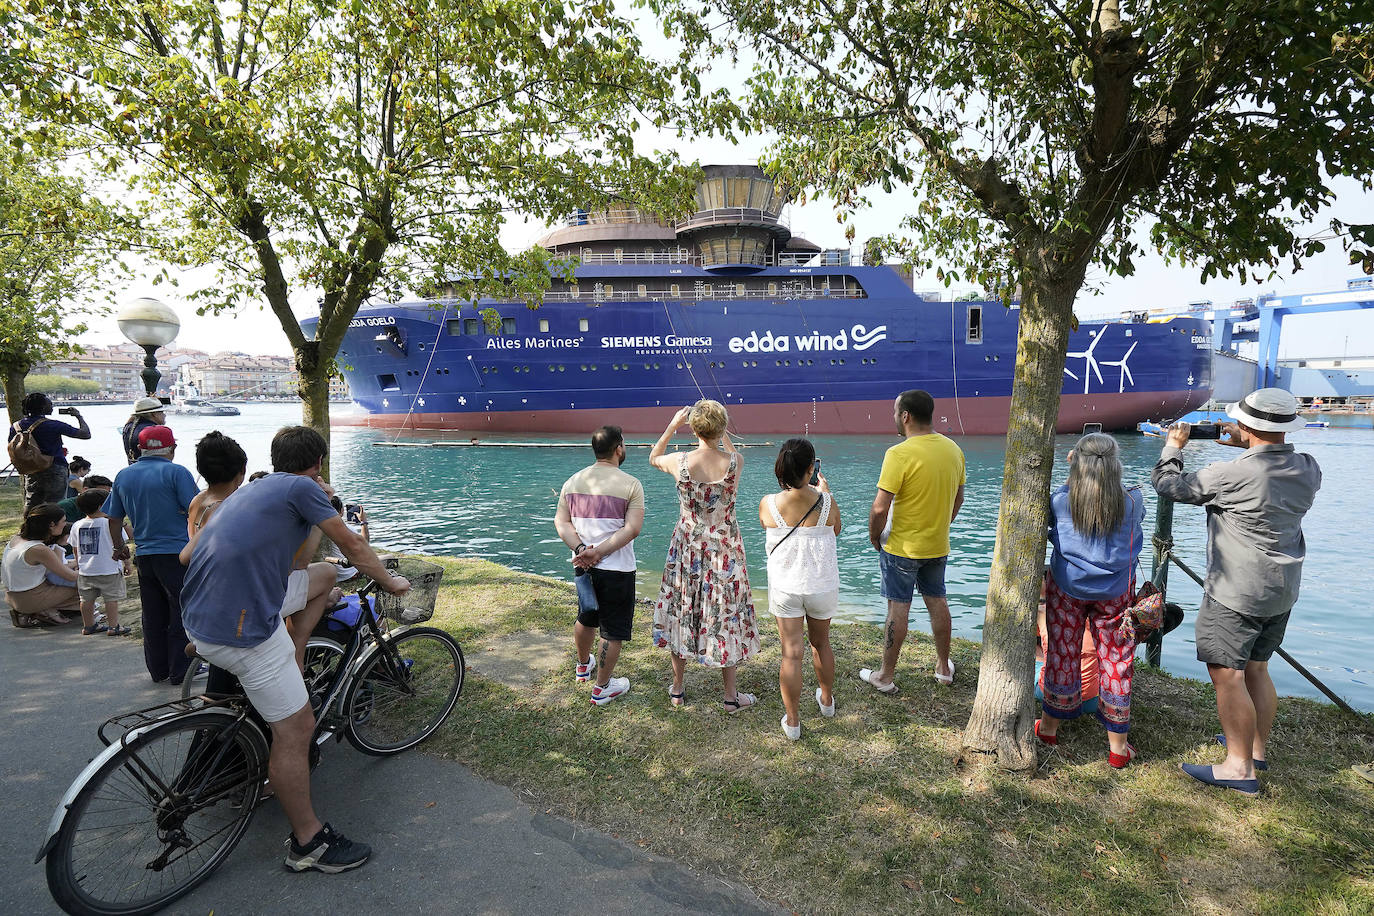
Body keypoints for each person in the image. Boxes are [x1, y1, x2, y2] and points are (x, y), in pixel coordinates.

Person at [181, 425, 410, 874]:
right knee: (296, 729)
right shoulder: (304, 489)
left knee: (323, 576)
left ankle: (293, 648)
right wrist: (390, 581)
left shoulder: (252, 490)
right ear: (318, 462)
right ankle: (309, 842)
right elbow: (353, 544)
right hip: (242, 632)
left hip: (200, 620)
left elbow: (193, 558)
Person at [1152, 388, 1321, 798]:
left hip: (1236, 592)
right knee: (1257, 668)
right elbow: (1265, 470)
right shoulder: (1308, 468)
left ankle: (1238, 768)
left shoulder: (1227, 474)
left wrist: (1174, 447)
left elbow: (1168, 485)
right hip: (1282, 588)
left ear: (1245, 425)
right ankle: (1255, 749)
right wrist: (1247, 444)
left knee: (1227, 675)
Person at [1033, 434, 1145, 768]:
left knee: (1061, 653)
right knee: (1117, 660)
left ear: (1077, 462)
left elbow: (1054, 522)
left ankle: (1049, 728)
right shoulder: (1133, 500)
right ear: (1116, 464)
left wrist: (1073, 475)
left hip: (1068, 588)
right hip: (1115, 592)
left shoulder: (1060, 500)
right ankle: (1118, 748)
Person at [650, 400, 760, 710]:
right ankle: (730, 696)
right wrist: (722, 435)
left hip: (688, 549)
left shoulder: (680, 462)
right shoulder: (735, 462)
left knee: (683, 607)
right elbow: (730, 452)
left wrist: (673, 425)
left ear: (694, 429)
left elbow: (654, 456)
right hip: (724, 550)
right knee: (726, 613)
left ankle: (677, 689)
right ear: (722, 428)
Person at [859, 390, 965, 693]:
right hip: (937, 545)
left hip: (902, 548)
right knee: (937, 600)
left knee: (898, 608)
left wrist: (875, 536)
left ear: (905, 416)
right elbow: (958, 498)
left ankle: (885, 676)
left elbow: (880, 508)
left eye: (895, 412)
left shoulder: (899, 454)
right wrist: (941, 526)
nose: (894, 417)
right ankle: (943, 668)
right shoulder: (953, 449)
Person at [553, 425, 646, 707]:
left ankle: (583, 666)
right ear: (618, 449)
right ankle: (602, 688)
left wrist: (582, 550)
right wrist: (599, 552)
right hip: (617, 568)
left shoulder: (573, 482)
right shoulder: (631, 484)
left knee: (586, 616)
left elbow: (561, 522)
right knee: (612, 630)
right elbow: (632, 528)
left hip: (583, 565)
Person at [759, 438, 840, 740]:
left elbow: (766, 524)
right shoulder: (827, 501)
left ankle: (793, 722)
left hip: (786, 587)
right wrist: (824, 492)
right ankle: (827, 701)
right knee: (821, 644)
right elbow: (836, 529)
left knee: (791, 654)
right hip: (821, 585)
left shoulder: (768, 504)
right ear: (811, 470)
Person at [104, 425, 199, 685]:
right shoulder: (177, 472)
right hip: (177, 553)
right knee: (181, 610)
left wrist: (118, 547)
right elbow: (196, 510)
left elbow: (114, 518)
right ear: (172, 448)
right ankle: (181, 669)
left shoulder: (124, 475)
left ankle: (158, 669)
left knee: (153, 614)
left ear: (139, 449)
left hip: (145, 554)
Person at [8, 392, 92, 512]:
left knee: (32, 504)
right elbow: (85, 434)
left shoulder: (16, 426)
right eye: (50, 404)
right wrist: (78, 416)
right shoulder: (52, 425)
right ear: (42, 407)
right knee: (56, 506)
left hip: (31, 470)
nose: (52, 407)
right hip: (55, 469)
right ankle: (53, 524)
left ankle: (30, 523)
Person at [3, 504, 81, 627]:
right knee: (91, 586)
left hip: (13, 595)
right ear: (51, 525)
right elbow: (70, 576)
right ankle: (42, 610)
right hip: (30, 597)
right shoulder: (39, 549)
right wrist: (95, 571)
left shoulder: (17, 538)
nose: (65, 524)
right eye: (63, 521)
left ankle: (39, 610)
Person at [72, 488, 131, 636]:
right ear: (101, 506)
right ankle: (113, 626)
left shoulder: (77, 525)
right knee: (111, 599)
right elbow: (121, 546)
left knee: (86, 599)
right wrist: (127, 564)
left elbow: (75, 548)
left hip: (86, 571)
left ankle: (88, 625)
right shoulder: (111, 524)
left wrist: (79, 563)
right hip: (108, 569)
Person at [120, 397, 166, 465]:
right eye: (162, 412)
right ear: (154, 414)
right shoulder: (154, 431)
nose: (164, 415)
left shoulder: (128, 427)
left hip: (133, 469)